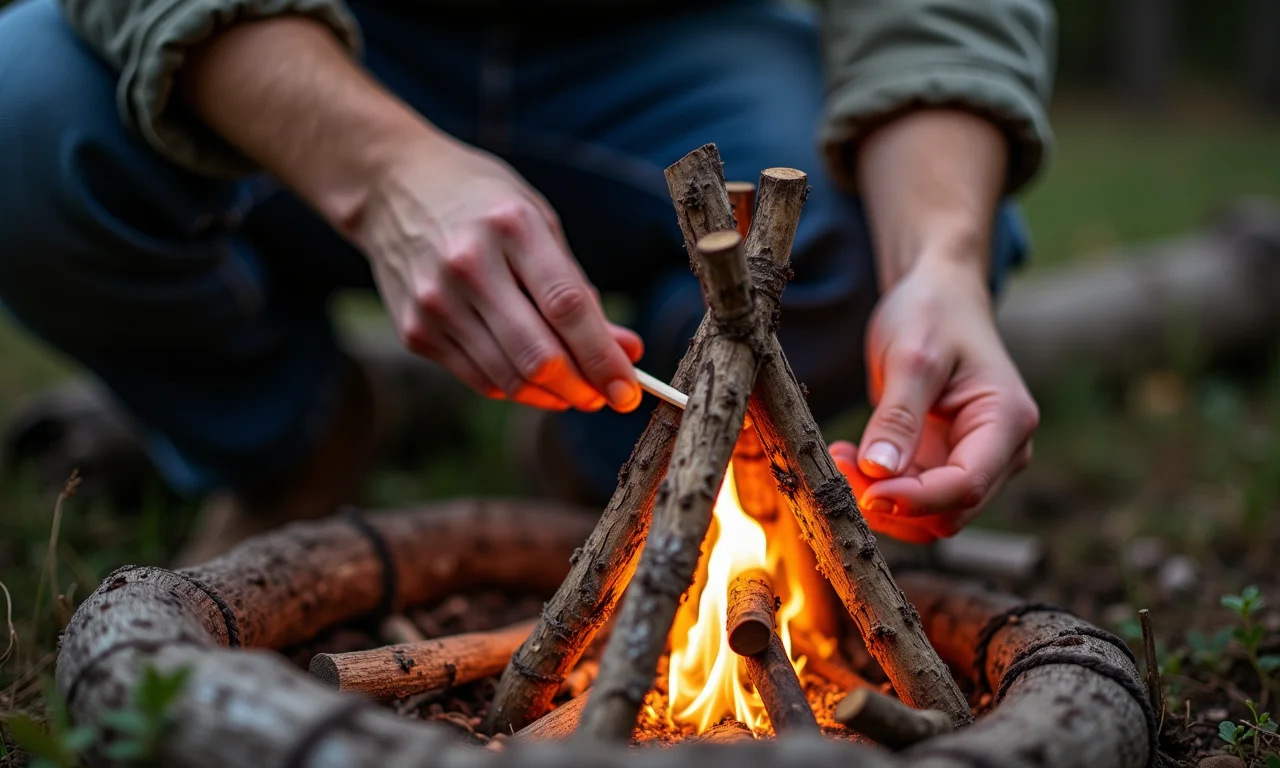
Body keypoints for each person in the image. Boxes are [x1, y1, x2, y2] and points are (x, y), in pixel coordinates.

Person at [0, 0, 1052, 564]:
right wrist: (381, 173)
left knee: (864, 214)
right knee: (25, 104)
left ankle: (612, 464)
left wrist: (938, 260)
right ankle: (286, 436)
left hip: (676, 44)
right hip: (306, 41)